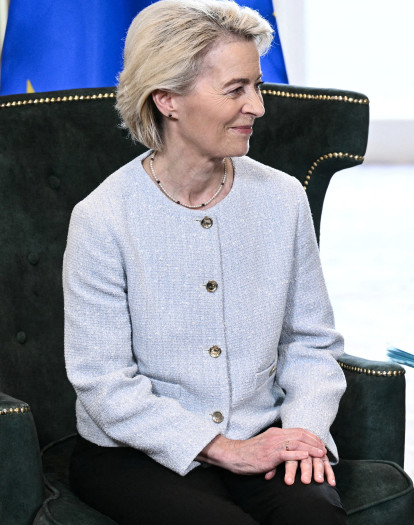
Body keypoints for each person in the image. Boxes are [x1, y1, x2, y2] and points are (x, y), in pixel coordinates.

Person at [62, 1, 348, 523]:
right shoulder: (102, 217)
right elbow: (104, 384)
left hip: (265, 435)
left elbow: (311, 342)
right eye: (236, 89)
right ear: (167, 99)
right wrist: (223, 448)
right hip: (133, 453)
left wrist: (303, 431)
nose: (258, 106)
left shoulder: (283, 198)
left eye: (256, 86)